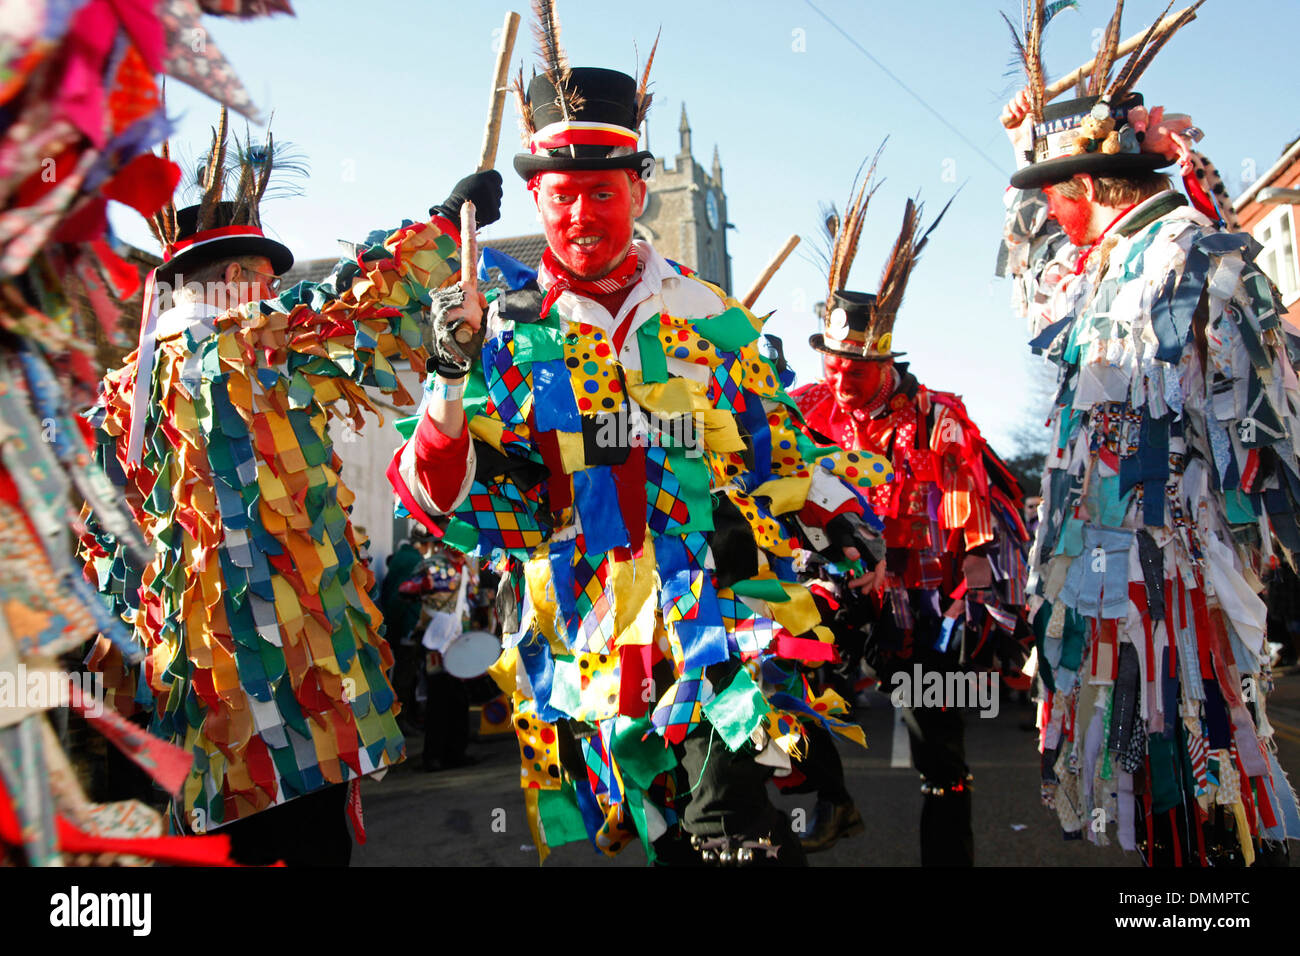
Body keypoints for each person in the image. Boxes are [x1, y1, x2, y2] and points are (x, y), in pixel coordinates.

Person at [388, 2, 890, 866]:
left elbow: (774, 442)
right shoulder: (504, 334)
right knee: (663, 828)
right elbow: (440, 492)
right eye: (561, 198)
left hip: (712, 594)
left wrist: (841, 517)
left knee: (731, 818)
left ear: (637, 191)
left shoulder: (706, 311)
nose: (581, 215)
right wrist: (446, 369)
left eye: (600, 193)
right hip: (587, 626)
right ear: (538, 204)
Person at [80, 108, 504, 865]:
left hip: (195, 700)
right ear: (230, 280)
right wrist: (443, 227)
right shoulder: (250, 346)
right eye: (261, 275)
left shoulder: (120, 396)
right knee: (305, 846)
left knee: (226, 838)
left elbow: (102, 555)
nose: (273, 287)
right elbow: (356, 312)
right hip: (286, 689)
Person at [998, 2, 1300, 863]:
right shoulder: (1103, 269)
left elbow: (1270, 416)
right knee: (1152, 760)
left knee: (1200, 759)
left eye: (1052, 195)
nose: (1048, 216)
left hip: (1177, 565)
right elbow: (1037, 304)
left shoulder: (1195, 254)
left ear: (1087, 189)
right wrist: (1026, 155)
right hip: (1110, 567)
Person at [790, 177, 1032, 863]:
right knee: (767, 670)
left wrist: (958, 601)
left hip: (920, 604)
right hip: (832, 587)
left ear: (886, 361)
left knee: (938, 753)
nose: (840, 380)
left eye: (856, 370)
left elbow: (966, 521)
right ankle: (830, 795)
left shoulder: (937, 419)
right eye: (833, 364)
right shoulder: (806, 406)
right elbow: (761, 468)